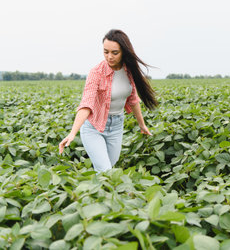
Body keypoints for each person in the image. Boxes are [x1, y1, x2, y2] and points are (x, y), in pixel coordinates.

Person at [59, 29, 158, 172]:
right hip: (94, 128)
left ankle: (92, 192)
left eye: (114, 53)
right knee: (105, 172)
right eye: (105, 52)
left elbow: (133, 100)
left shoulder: (129, 71)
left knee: (107, 171)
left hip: (116, 127)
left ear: (124, 51)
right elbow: (87, 104)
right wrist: (72, 133)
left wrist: (142, 125)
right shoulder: (96, 73)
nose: (109, 57)